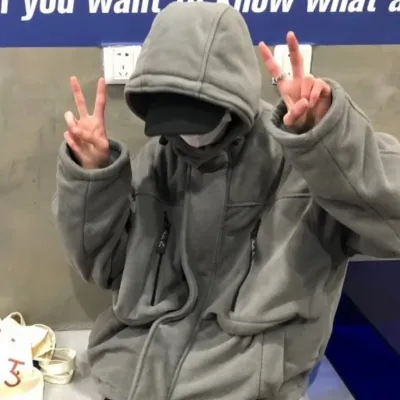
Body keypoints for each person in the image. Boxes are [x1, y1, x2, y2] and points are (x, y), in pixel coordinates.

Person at [52, 2, 400, 400]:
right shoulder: (157, 161)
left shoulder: (298, 163)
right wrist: (93, 177)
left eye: (200, 113)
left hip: (250, 379)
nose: (187, 136)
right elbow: (106, 267)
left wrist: (329, 142)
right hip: (132, 370)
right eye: (173, 115)